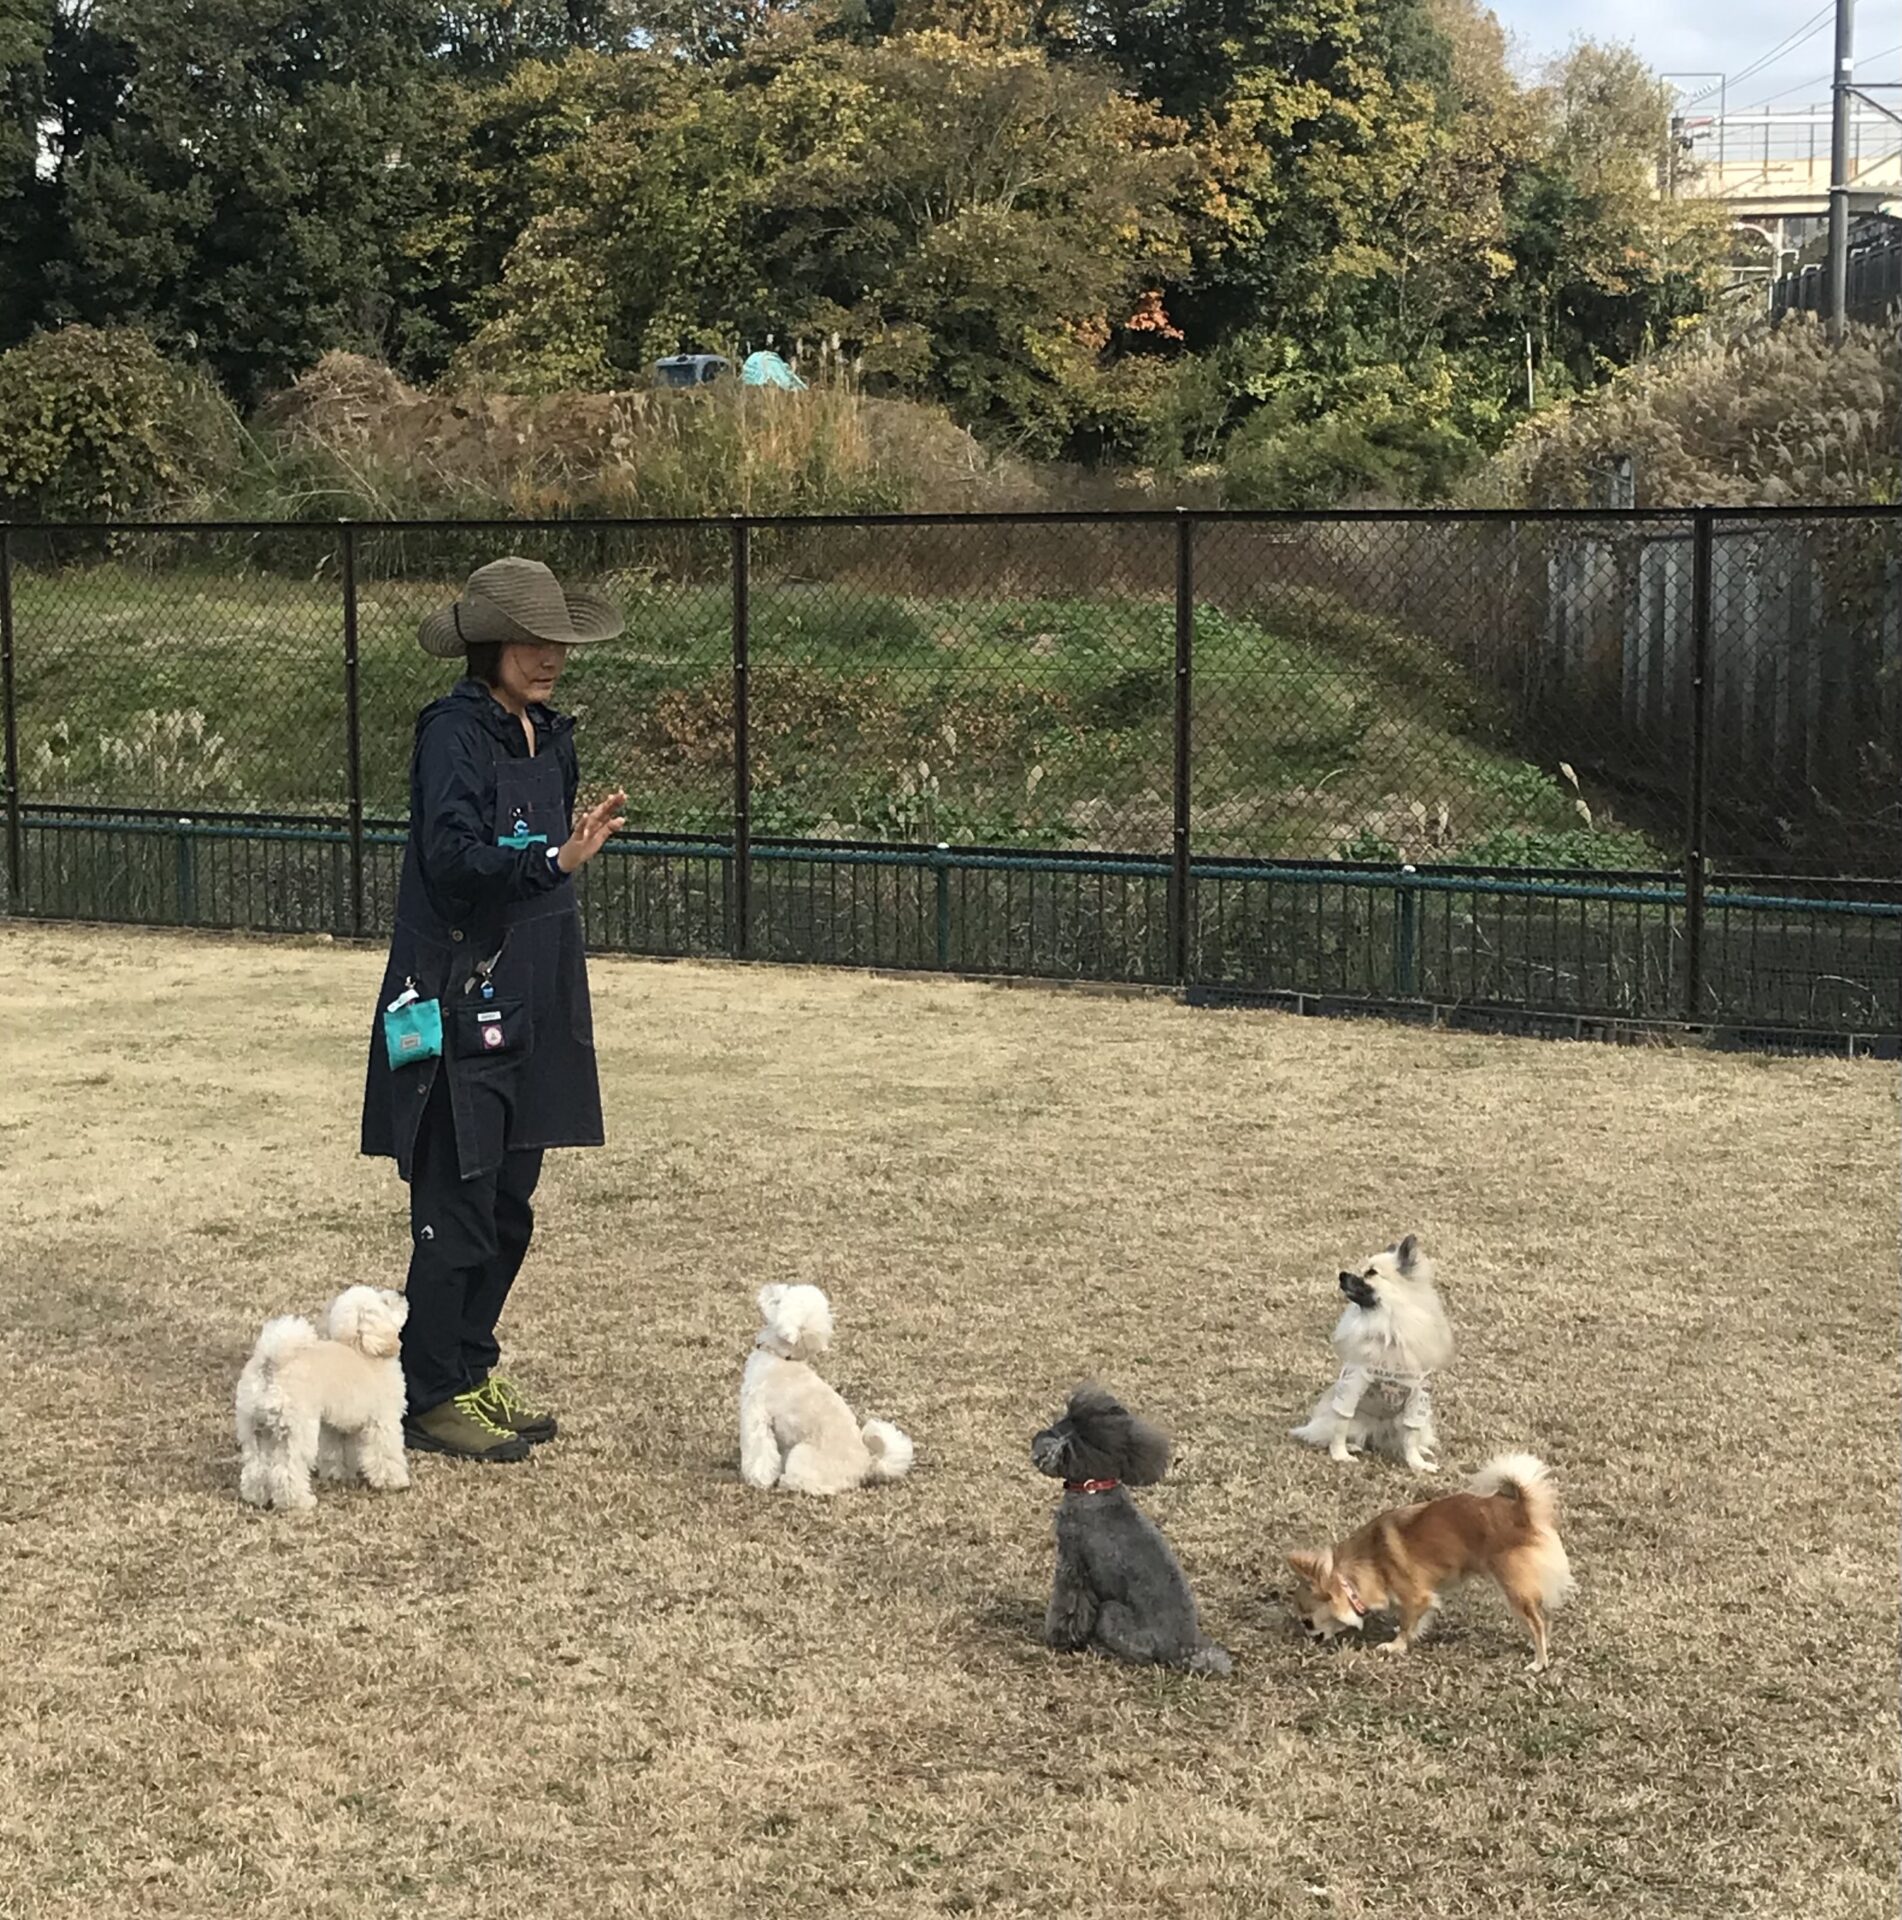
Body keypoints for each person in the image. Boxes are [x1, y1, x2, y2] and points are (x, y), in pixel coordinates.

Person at [361, 556, 627, 1463]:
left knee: (511, 1201)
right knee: (459, 1199)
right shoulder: (452, 734)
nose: (549, 657)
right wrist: (552, 861)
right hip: (453, 993)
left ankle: (471, 1367)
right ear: (487, 644)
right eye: (529, 640)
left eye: (558, 640)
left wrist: (560, 856)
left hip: (535, 992)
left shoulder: (547, 734)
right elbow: (451, 861)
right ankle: (427, 1391)